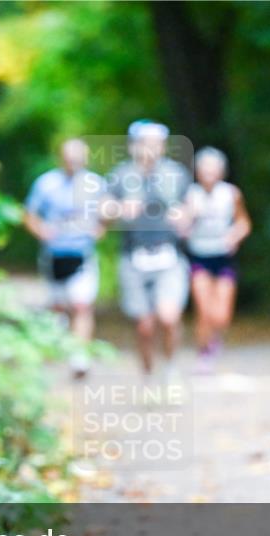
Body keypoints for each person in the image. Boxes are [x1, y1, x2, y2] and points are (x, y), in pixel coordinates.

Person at [107, 121, 192, 378]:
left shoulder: (176, 174)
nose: (152, 149)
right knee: (144, 326)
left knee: (169, 317)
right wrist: (121, 209)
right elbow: (103, 210)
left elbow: (191, 206)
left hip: (169, 255)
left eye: (157, 144)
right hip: (134, 257)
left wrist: (185, 217)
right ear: (134, 146)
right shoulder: (121, 175)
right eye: (146, 143)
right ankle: (147, 371)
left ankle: (170, 365)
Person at [24, 138, 106, 379]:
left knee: (82, 305)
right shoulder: (46, 184)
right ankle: (56, 349)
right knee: (58, 308)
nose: (73, 162)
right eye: (69, 157)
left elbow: (107, 210)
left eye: (78, 158)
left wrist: (101, 227)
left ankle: (80, 357)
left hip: (83, 254)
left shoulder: (95, 184)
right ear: (61, 158)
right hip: (53, 255)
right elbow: (29, 214)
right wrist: (41, 231)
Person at [181, 147, 252, 373]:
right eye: (204, 168)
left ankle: (214, 339)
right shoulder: (190, 195)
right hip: (199, 257)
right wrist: (190, 215)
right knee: (204, 310)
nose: (208, 173)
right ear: (198, 171)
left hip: (223, 258)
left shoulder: (231, 194)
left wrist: (234, 236)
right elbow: (181, 227)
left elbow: (244, 223)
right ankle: (203, 353)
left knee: (221, 315)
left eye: (213, 168)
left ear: (221, 171)